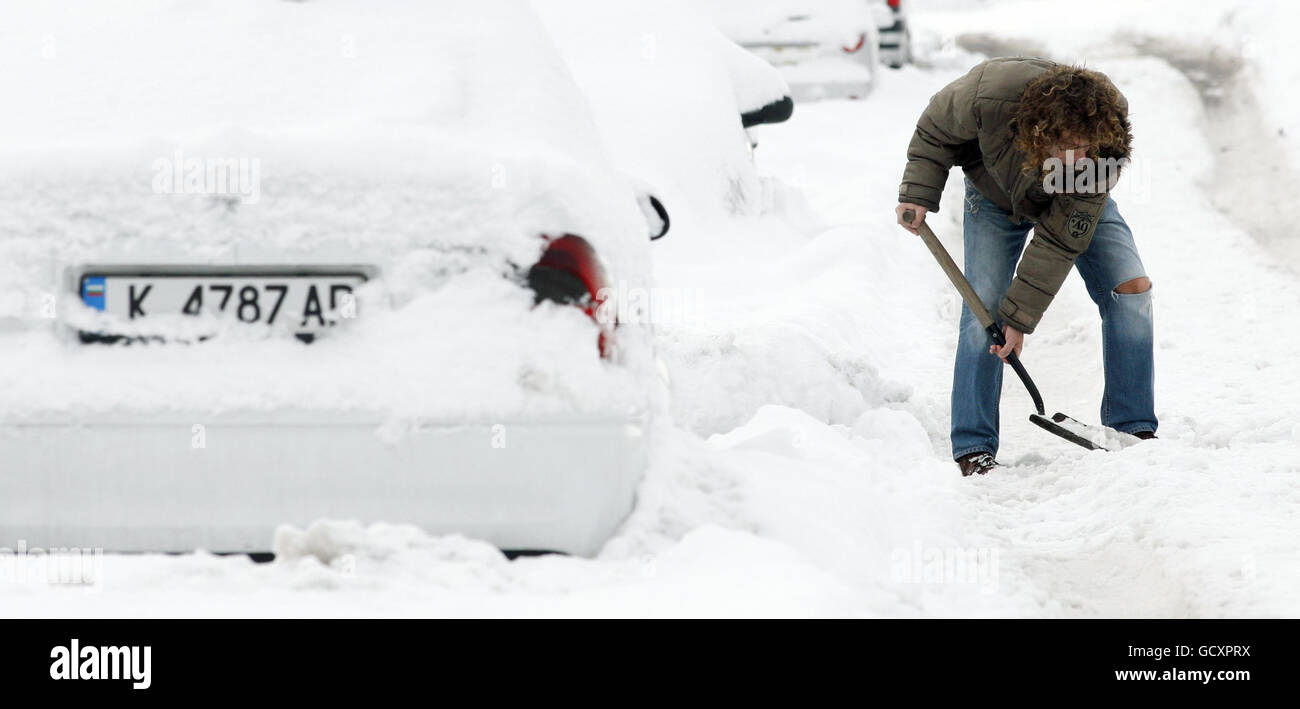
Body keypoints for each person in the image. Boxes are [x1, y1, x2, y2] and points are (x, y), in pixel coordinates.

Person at [896, 57, 1157, 477]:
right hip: (995, 196)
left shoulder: (1100, 144)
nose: (1077, 158)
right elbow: (934, 129)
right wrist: (919, 191)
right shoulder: (989, 94)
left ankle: (1133, 429)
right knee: (984, 310)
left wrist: (1020, 319)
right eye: (1067, 148)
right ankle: (973, 446)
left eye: (1085, 149)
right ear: (1040, 133)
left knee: (1130, 286)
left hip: (1073, 201)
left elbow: (1058, 240)